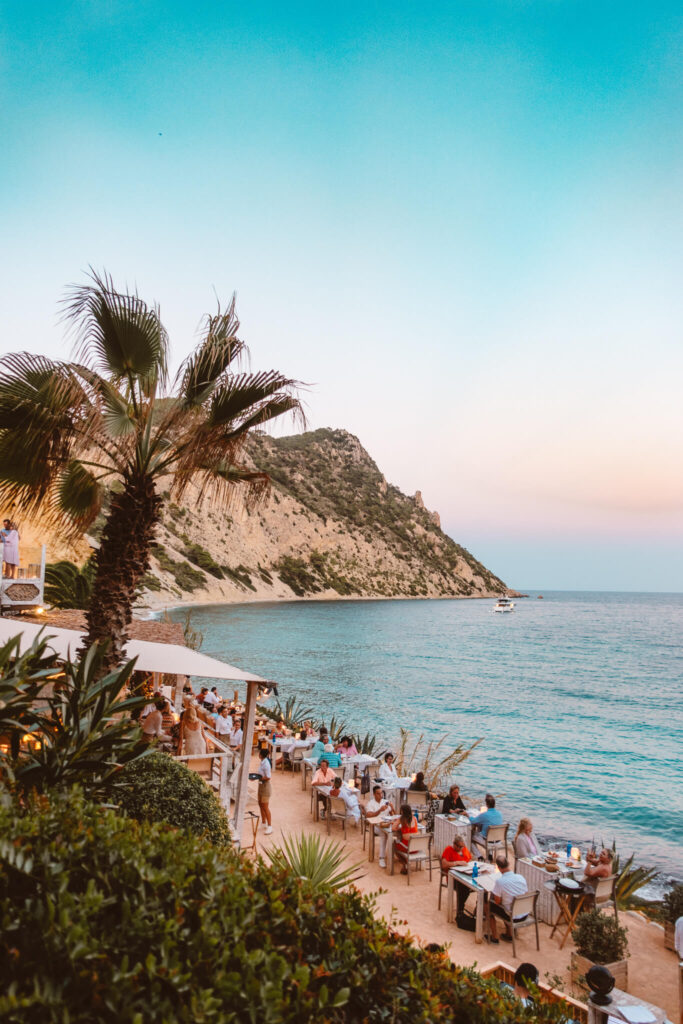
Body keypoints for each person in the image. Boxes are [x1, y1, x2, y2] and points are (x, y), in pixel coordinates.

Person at [487, 854, 529, 943]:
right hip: (524, 913)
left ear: (498, 867)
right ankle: (509, 933)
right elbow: (525, 895)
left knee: (488, 906)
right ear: (508, 864)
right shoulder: (521, 878)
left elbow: (497, 902)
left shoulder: (500, 882)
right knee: (508, 903)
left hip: (512, 915)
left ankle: (494, 936)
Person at [364, 784, 393, 868]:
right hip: (376, 826)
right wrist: (379, 810)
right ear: (374, 794)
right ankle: (381, 858)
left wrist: (392, 808)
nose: (381, 795)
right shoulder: (371, 803)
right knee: (384, 834)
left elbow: (393, 814)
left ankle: (395, 854)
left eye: (381, 793)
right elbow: (368, 815)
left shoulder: (385, 802)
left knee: (396, 831)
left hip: (386, 824)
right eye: (378, 793)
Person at [392, 802, 419, 875]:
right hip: (415, 848)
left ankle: (405, 864)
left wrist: (400, 829)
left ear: (402, 811)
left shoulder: (402, 819)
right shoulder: (415, 818)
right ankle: (405, 865)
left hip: (407, 847)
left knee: (394, 845)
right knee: (400, 845)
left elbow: (393, 828)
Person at [257, 748, 273, 835]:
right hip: (260, 785)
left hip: (265, 786)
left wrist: (259, 778)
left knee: (265, 806)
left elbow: (268, 777)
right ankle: (263, 822)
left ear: (261, 755)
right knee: (260, 804)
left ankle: (270, 826)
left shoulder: (266, 764)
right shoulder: (262, 761)